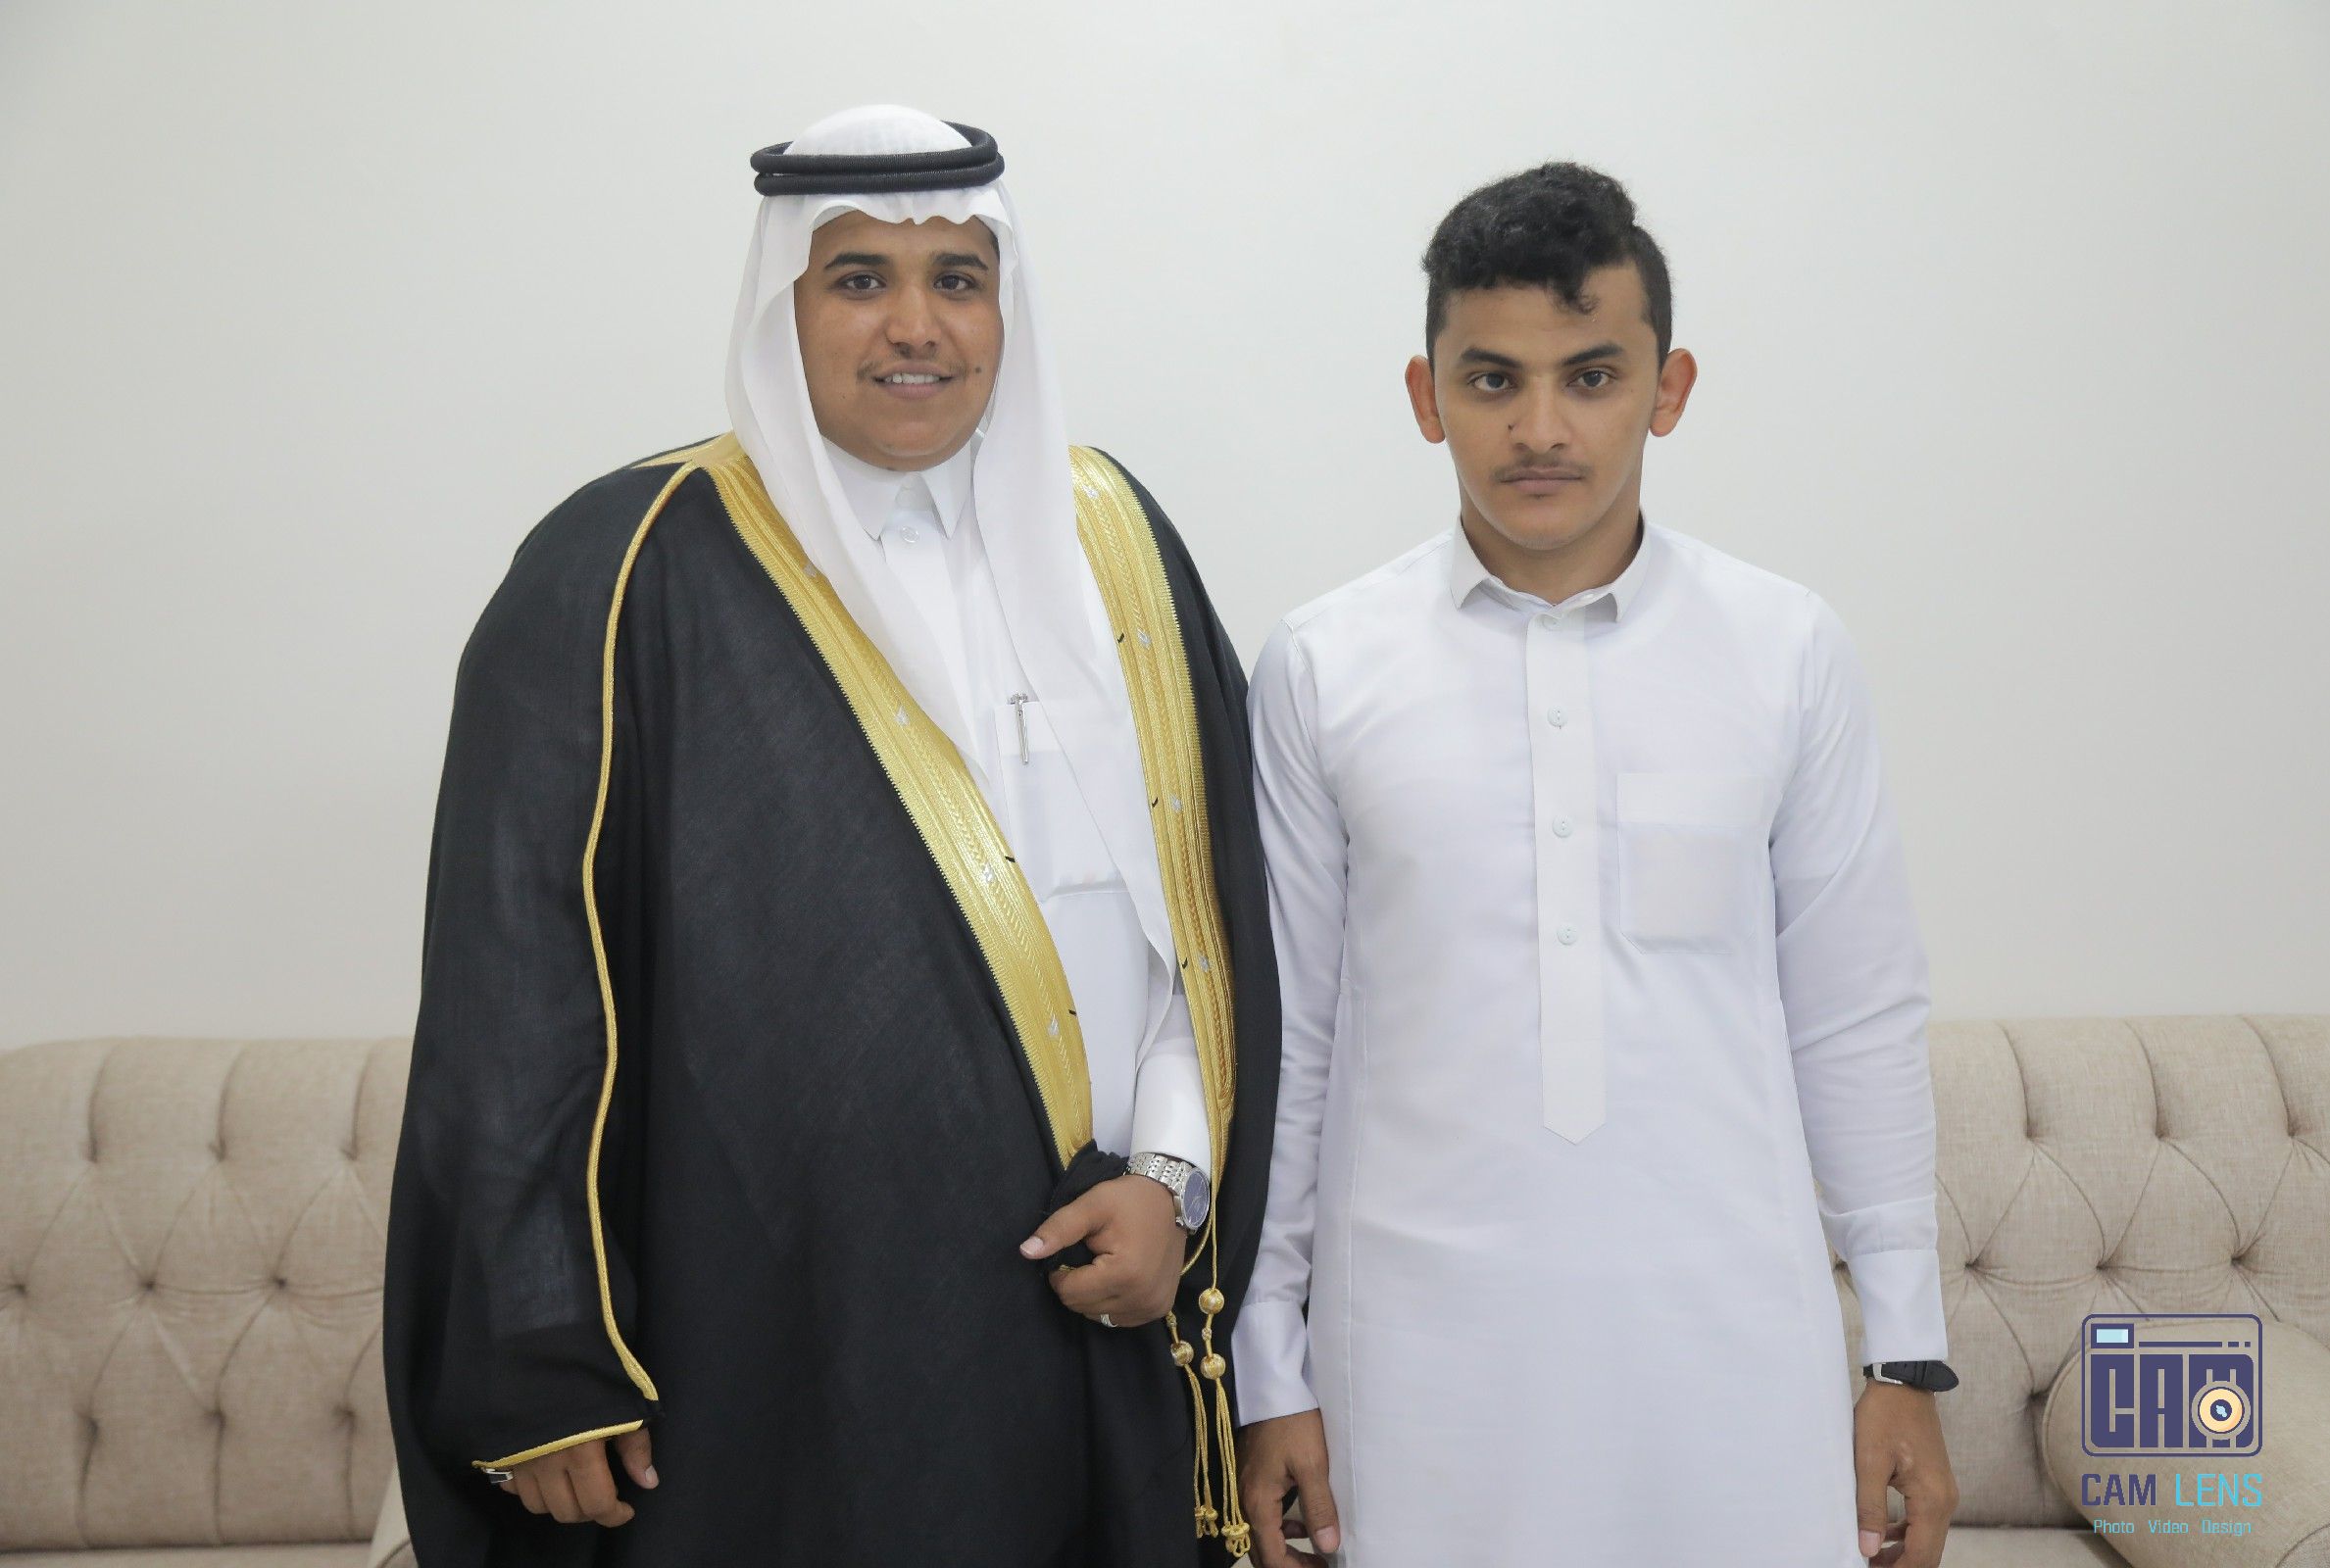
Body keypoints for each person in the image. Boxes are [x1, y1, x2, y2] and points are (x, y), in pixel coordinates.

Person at [382, 104, 1277, 1567]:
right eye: (859, 279)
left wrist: (1173, 1183)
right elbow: (516, 983)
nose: (915, 326)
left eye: (957, 279)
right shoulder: (627, 566)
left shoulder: (1115, 537)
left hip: (1107, 1301)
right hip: (775, 1330)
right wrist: (542, 1348)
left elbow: (1209, 922)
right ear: (782, 307)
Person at [1228, 162, 1961, 1567]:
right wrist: (1272, 1371)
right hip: (1420, 1363)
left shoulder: (1786, 650)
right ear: (1426, 395)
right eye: (1492, 380)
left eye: (1592, 376)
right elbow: (1290, 1043)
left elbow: (1856, 1014)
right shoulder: (1323, 667)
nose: (1542, 429)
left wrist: (1905, 1353)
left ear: (1668, 389)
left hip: (1730, 1349)